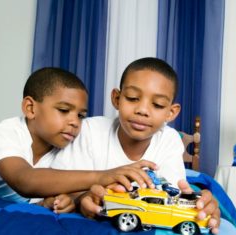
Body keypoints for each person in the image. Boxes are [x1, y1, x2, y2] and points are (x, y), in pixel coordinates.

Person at [52, 58, 221, 233]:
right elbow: (58, 181)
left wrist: (195, 202)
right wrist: (81, 199)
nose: (142, 110)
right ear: (117, 99)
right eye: (132, 98)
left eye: (158, 105)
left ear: (171, 112)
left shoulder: (169, 140)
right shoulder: (90, 130)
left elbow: (170, 195)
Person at [0, 67, 156, 213]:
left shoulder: (69, 145)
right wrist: (103, 175)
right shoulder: (6, 132)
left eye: (80, 115)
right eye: (64, 110)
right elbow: (25, 180)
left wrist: (60, 201)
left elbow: (60, 188)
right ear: (30, 108)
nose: (74, 122)